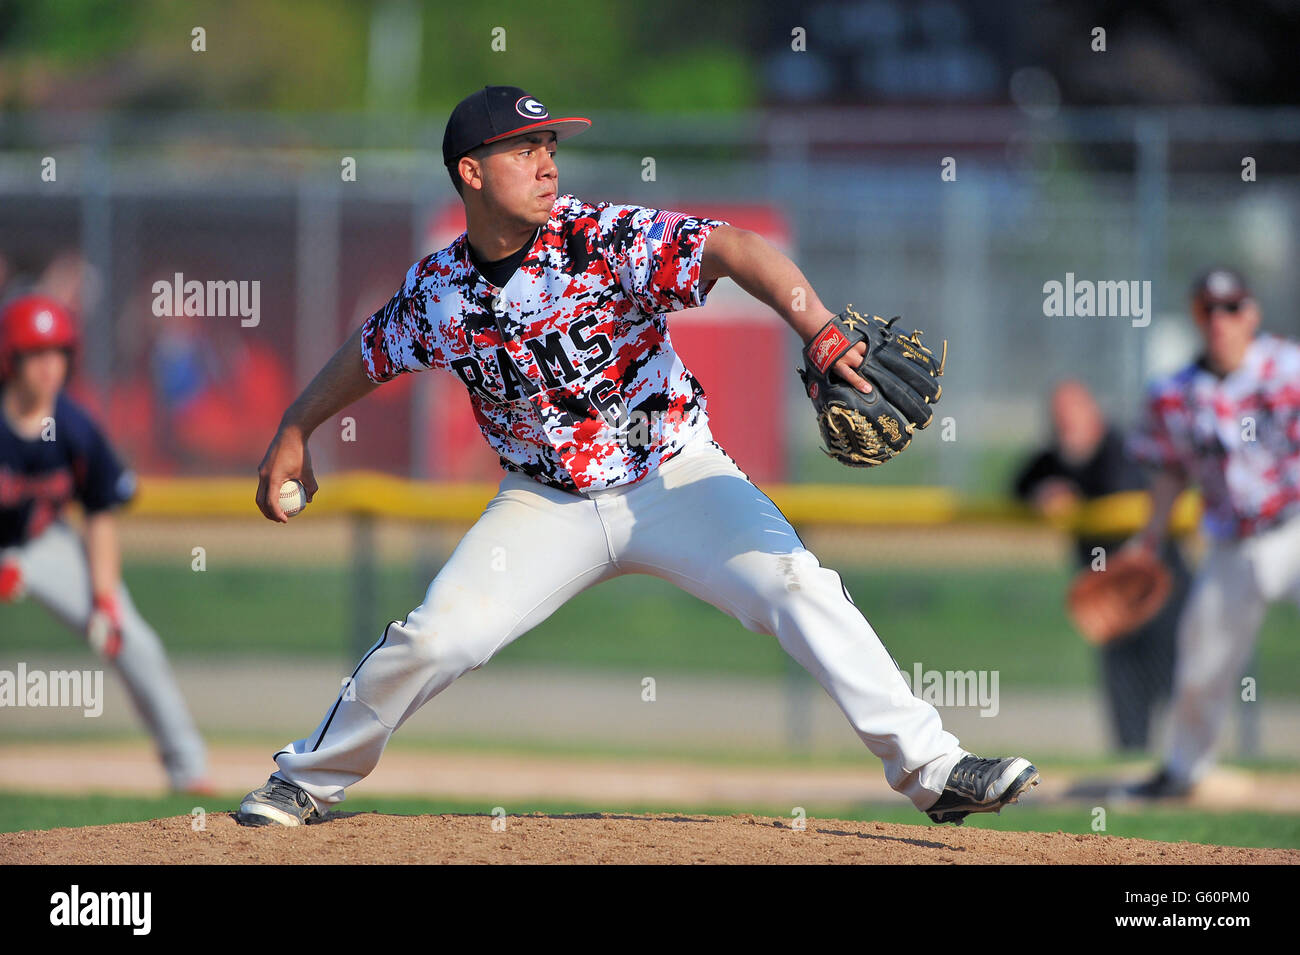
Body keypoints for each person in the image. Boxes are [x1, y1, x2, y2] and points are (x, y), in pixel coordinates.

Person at [234, 85, 1038, 828]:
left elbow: (729, 247)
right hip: (543, 503)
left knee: (799, 585)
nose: (546, 161)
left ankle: (935, 769)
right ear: (471, 173)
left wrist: (818, 327)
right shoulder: (439, 293)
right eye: (523, 149)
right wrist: (296, 430)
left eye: (549, 144)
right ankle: (304, 778)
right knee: (440, 637)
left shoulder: (599, 239)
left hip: (677, 476)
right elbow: (368, 352)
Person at [0, 294, 211, 793]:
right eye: (36, 353)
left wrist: (105, 599)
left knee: (132, 638)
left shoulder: (75, 427)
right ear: (10, 358)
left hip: (44, 544)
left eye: (59, 353)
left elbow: (99, 514)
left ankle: (189, 769)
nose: (50, 366)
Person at [1123, 267, 1300, 798]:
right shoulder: (1174, 395)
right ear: (1197, 316)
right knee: (1202, 661)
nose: (1221, 319)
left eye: (1232, 307)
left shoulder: (1290, 368)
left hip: (1294, 527)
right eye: (1209, 309)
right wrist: (1149, 537)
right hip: (1228, 542)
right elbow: (1170, 471)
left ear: (1253, 313)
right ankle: (1184, 771)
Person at [1014, 381, 1186, 752]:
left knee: (1176, 679)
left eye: (1072, 417)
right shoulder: (1060, 456)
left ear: (1093, 414)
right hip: (1107, 593)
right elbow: (1020, 481)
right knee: (1123, 680)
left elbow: (1117, 489)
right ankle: (1132, 758)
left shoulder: (1119, 448)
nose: (1065, 427)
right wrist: (1044, 490)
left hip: (1156, 584)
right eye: (1058, 420)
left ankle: (1184, 761)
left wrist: (1072, 494)